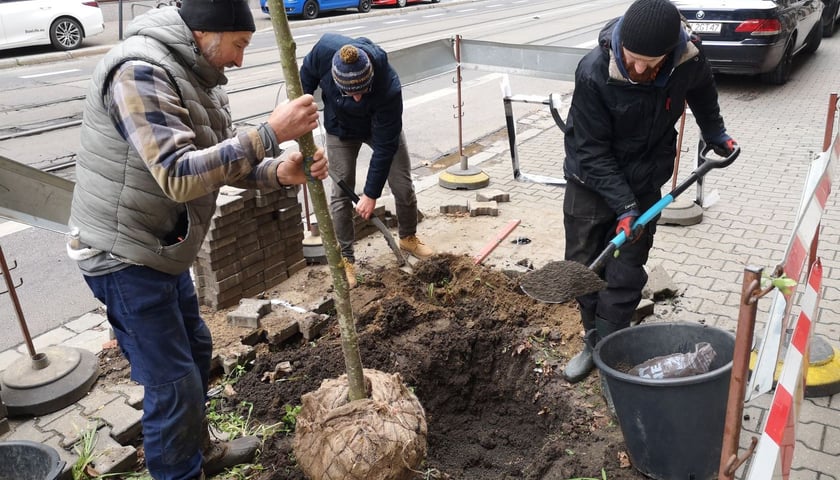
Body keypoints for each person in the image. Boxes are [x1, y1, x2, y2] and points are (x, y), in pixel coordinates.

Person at [66, 0, 327, 478]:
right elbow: (179, 175)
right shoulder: (139, 73)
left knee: (197, 352)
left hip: (159, 247)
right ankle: (178, 470)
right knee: (172, 382)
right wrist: (269, 132)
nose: (241, 59)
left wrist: (280, 172)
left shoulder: (199, 77)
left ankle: (198, 451)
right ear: (207, 32)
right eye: (239, 45)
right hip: (123, 252)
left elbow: (217, 162)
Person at [561, 0, 737, 384]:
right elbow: (591, 150)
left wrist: (715, 133)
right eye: (632, 58)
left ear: (670, 54)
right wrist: (622, 206)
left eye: (650, 62)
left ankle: (609, 353)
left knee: (626, 268)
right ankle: (591, 341)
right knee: (583, 264)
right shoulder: (594, 71)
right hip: (590, 182)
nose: (639, 69)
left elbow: (703, 91)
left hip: (644, 182)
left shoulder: (687, 61)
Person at [300, 33, 434, 288]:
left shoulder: (388, 87)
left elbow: (384, 147)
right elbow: (304, 77)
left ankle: (408, 236)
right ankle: (346, 259)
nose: (358, 97)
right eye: (350, 92)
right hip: (340, 129)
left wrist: (370, 194)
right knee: (340, 195)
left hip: (378, 127)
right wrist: (301, 107)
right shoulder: (324, 51)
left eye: (362, 91)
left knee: (402, 184)